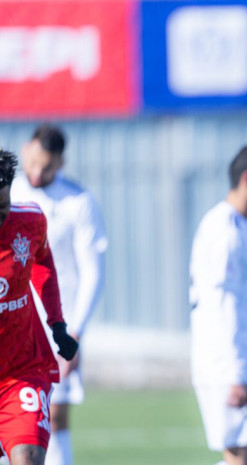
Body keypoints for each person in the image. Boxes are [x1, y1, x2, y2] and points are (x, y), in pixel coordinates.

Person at [10, 124, 107, 465]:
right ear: (26, 150)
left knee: (54, 415)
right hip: (13, 320)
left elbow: (93, 271)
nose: (38, 172)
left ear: (61, 163)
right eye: (34, 162)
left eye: (47, 166)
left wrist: (75, 331)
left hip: (56, 326)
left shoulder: (79, 202)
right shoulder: (10, 192)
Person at [189, 146, 247, 465]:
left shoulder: (235, 224)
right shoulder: (224, 231)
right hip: (227, 363)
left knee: (246, 456)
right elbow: (221, 303)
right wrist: (235, 372)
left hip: (236, 360)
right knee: (240, 456)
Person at [0, 149, 79, 465]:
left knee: (29, 456)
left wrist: (57, 324)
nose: (0, 217)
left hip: (22, 371)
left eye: (3, 207)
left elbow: (43, 260)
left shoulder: (29, 221)